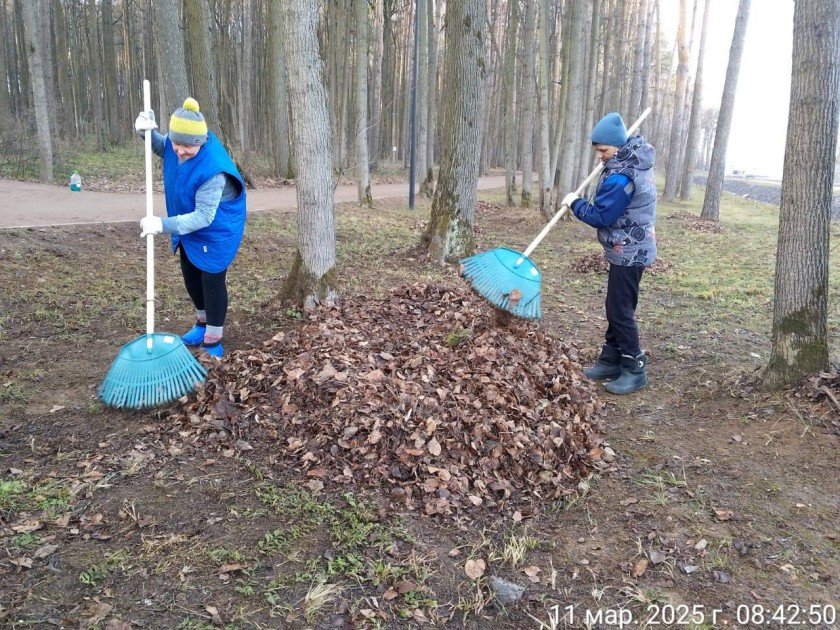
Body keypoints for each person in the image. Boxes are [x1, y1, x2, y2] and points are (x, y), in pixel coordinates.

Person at [134, 98, 246, 358]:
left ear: (200, 142)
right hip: (189, 223)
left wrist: (162, 224)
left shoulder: (213, 170)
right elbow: (164, 148)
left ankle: (213, 339)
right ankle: (201, 322)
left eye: (187, 146)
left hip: (218, 229)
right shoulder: (177, 146)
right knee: (190, 274)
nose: (180, 151)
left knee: (211, 279)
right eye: (177, 143)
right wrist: (147, 133)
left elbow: (205, 217)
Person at [561, 112, 656, 394]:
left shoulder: (621, 176)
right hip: (627, 247)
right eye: (597, 151)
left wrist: (575, 204)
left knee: (619, 309)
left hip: (630, 250)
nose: (600, 156)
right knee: (618, 306)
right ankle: (611, 358)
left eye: (603, 150)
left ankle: (634, 366)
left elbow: (602, 216)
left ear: (617, 145)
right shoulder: (629, 161)